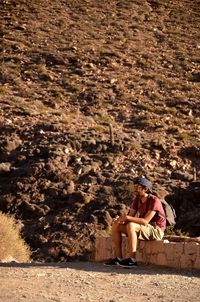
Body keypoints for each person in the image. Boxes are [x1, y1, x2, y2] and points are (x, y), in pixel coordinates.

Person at [104, 177, 166, 268]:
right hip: (145, 228)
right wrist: (121, 219)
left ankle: (132, 260)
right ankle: (119, 258)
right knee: (116, 225)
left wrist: (126, 218)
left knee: (131, 225)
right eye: (135, 187)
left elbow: (145, 221)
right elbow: (130, 216)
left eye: (138, 187)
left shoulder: (154, 200)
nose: (135, 189)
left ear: (145, 189)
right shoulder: (137, 200)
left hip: (156, 230)